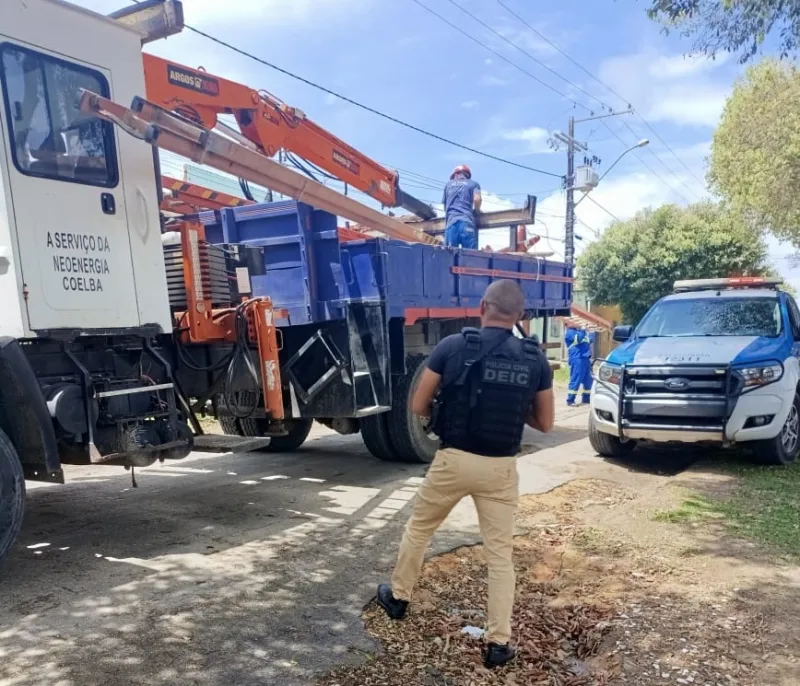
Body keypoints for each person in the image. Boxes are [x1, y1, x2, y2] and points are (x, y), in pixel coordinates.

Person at [376, 280, 555, 669]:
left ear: (481, 307)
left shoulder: (452, 347)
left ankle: (399, 598)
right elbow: (544, 422)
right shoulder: (534, 359)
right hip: (500, 469)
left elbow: (420, 405)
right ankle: (498, 643)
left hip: (453, 461)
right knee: (499, 556)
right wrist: (511, 403)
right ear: (520, 317)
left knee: (420, 529)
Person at [443, 164, 482, 249]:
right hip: (466, 222)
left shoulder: (448, 185)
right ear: (467, 175)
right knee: (471, 256)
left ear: (455, 175)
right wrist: (477, 211)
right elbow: (477, 199)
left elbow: (445, 207)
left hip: (451, 223)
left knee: (448, 257)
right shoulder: (474, 184)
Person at [564, 320, 595, 405]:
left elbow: (590, 340)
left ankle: (586, 398)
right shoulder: (570, 332)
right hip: (577, 359)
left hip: (585, 359)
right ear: (568, 324)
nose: (576, 322)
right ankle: (570, 400)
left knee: (588, 380)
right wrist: (583, 329)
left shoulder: (579, 332)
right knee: (576, 379)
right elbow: (578, 339)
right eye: (573, 321)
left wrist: (591, 332)